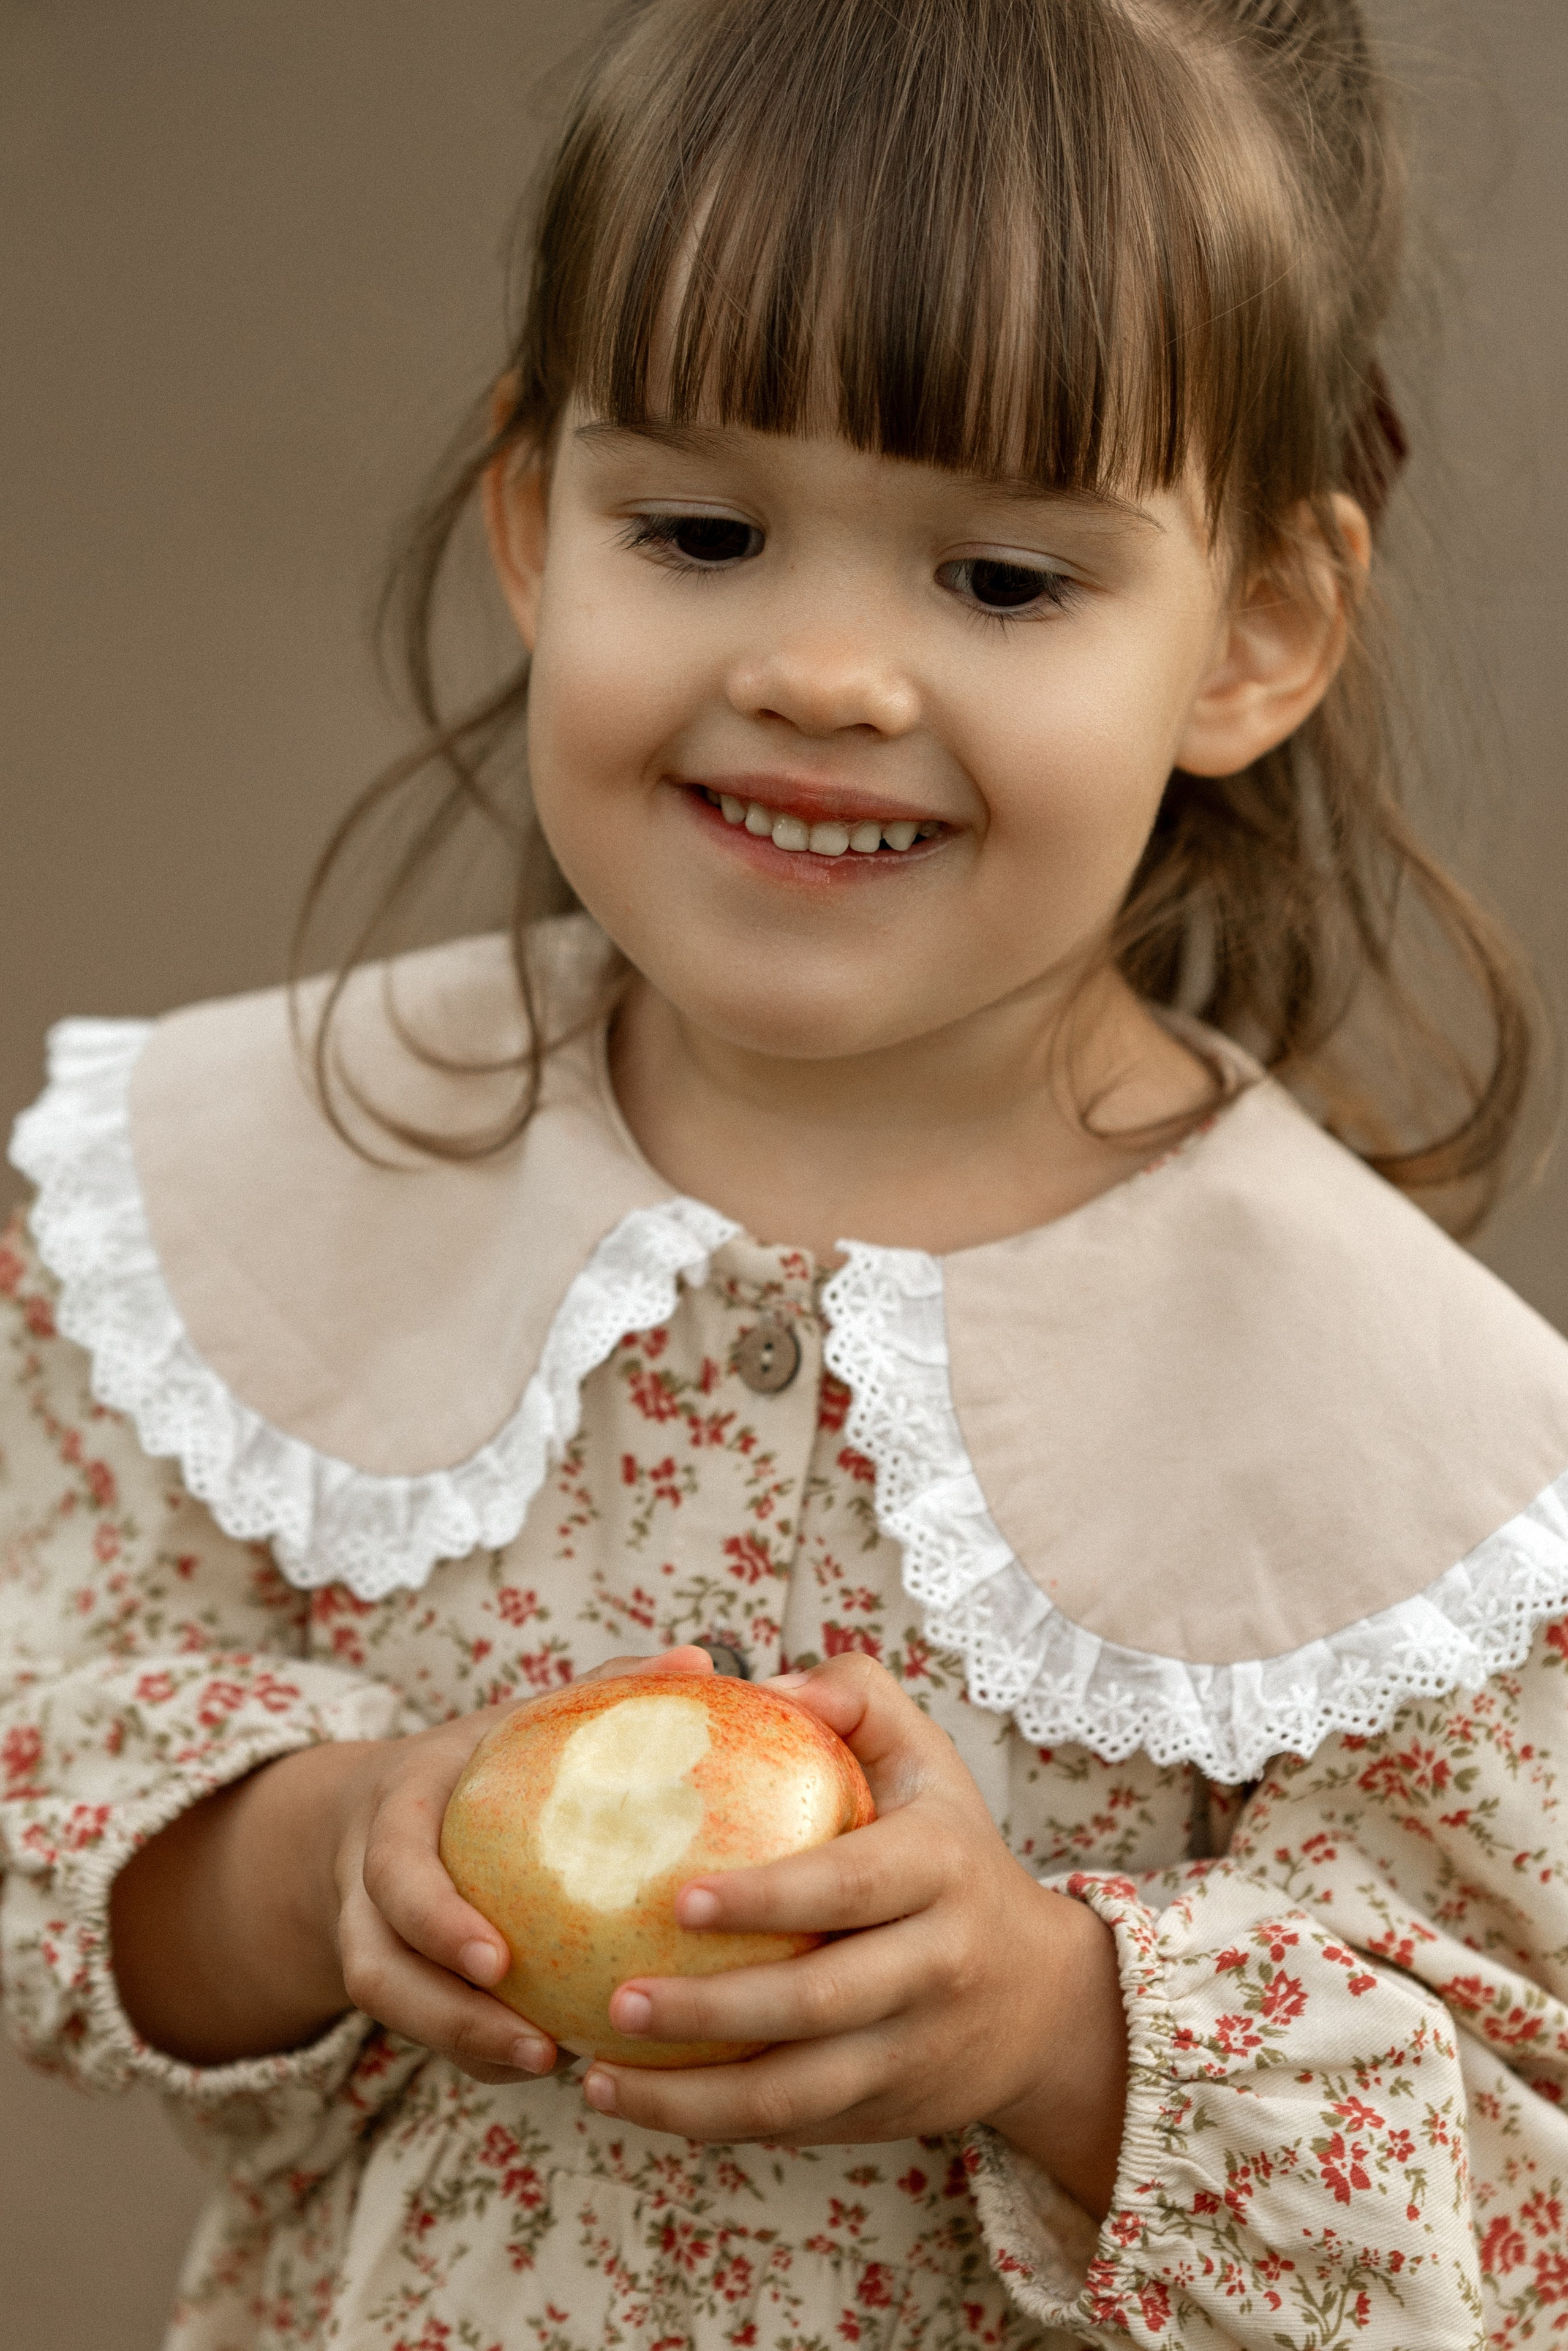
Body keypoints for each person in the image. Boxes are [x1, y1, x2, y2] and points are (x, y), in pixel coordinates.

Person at [4, 0, 1567, 2342]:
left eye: (1005, 580)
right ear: (537, 526)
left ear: (1255, 634)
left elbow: (1516, 2217)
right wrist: (328, 1854)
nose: (825, 673)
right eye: (706, 532)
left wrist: (1054, 2024)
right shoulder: (272, 1182)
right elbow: (42, 1781)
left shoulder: (1398, 1441)